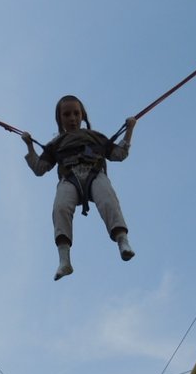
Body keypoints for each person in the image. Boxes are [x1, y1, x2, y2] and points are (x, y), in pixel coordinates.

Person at [22, 95, 137, 280]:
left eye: (76, 113)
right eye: (67, 115)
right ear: (60, 119)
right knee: (60, 208)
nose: (72, 118)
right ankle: (64, 260)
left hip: (95, 173)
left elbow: (119, 154)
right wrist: (29, 146)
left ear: (82, 115)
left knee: (108, 199)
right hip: (69, 178)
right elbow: (39, 168)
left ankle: (122, 240)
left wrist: (129, 129)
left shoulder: (96, 137)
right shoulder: (56, 144)